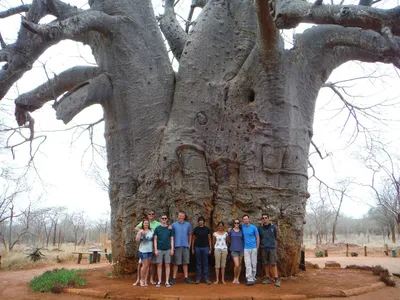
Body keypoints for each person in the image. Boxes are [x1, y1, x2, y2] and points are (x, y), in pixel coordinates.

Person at [134, 210, 161, 285]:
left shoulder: (156, 225)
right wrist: (141, 231)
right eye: (149, 214)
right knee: (142, 265)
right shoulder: (142, 227)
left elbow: (162, 227)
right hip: (143, 250)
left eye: (152, 214)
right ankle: (139, 280)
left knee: (150, 265)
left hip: (151, 248)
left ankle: (148, 280)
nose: (151, 215)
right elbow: (136, 228)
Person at [171, 210, 193, 284]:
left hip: (185, 245)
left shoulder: (188, 225)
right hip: (177, 246)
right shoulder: (174, 225)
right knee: (176, 263)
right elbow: (172, 236)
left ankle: (186, 278)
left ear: (184, 217)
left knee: (185, 262)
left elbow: (190, 234)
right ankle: (174, 278)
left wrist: (189, 244)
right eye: (180, 216)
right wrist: (172, 246)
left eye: (182, 216)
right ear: (178, 216)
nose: (181, 217)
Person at [258, 213, 280, 287]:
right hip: (263, 247)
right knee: (266, 263)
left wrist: (273, 244)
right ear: (262, 219)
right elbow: (259, 237)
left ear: (268, 218)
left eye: (266, 218)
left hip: (272, 248)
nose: (264, 219)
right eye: (263, 218)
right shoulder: (260, 228)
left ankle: (276, 279)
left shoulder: (273, 227)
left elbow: (275, 237)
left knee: (273, 263)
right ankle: (267, 278)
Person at [154, 214, 174, 288]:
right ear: (161, 219)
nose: (164, 220)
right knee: (159, 265)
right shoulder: (157, 228)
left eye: (165, 218)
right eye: (163, 218)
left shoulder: (169, 229)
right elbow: (155, 239)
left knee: (167, 265)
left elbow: (172, 239)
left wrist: (172, 249)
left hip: (168, 249)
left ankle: (167, 281)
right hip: (159, 249)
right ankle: (159, 281)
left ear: (167, 219)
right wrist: (155, 249)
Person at [191, 216, 212, 285]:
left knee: (205, 263)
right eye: (199, 220)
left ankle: (206, 279)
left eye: (202, 220)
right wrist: (192, 248)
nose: (201, 221)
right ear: (198, 222)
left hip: (205, 247)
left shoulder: (207, 229)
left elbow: (209, 239)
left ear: (204, 221)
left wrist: (210, 248)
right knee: (198, 263)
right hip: (197, 247)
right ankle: (198, 278)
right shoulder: (196, 229)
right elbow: (193, 239)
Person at [241, 214, 259, 286]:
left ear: (249, 219)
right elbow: (235, 227)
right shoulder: (242, 227)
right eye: (244, 219)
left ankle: (253, 277)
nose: (245, 220)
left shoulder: (253, 227)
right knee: (247, 263)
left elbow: (257, 237)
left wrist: (257, 247)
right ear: (243, 220)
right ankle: (249, 279)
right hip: (246, 248)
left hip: (253, 247)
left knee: (254, 263)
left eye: (246, 219)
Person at [135, 219, 154, 287]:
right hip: (143, 250)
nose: (146, 224)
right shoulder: (140, 231)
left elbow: (154, 239)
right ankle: (141, 280)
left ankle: (145, 280)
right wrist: (140, 233)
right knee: (144, 265)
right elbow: (137, 240)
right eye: (145, 223)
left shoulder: (152, 231)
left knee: (148, 265)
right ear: (143, 224)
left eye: (147, 223)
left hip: (150, 250)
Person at [229, 218, 244, 284]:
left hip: (241, 249)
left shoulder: (241, 231)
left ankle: (238, 278)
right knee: (237, 265)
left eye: (238, 223)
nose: (236, 224)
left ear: (239, 224)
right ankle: (234, 277)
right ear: (233, 224)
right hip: (234, 249)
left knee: (240, 264)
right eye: (235, 223)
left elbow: (243, 239)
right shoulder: (231, 231)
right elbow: (228, 239)